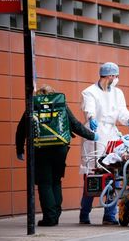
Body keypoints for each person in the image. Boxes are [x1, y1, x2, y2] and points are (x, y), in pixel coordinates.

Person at [15, 85, 98, 227]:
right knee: (56, 180)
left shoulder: (33, 106)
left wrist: (19, 149)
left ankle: (50, 217)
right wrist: (93, 136)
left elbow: (21, 129)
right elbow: (75, 125)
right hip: (60, 149)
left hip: (40, 149)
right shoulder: (61, 106)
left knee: (44, 183)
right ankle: (56, 214)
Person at [79, 62, 129, 225]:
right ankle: (84, 213)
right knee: (92, 175)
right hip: (95, 136)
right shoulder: (89, 92)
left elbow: (122, 111)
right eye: (115, 76)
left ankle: (109, 215)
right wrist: (91, 119)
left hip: (111, 134)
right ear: (109, 76)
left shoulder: (118, 93)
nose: (116, 79)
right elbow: (88, 108)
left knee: (114, 174)